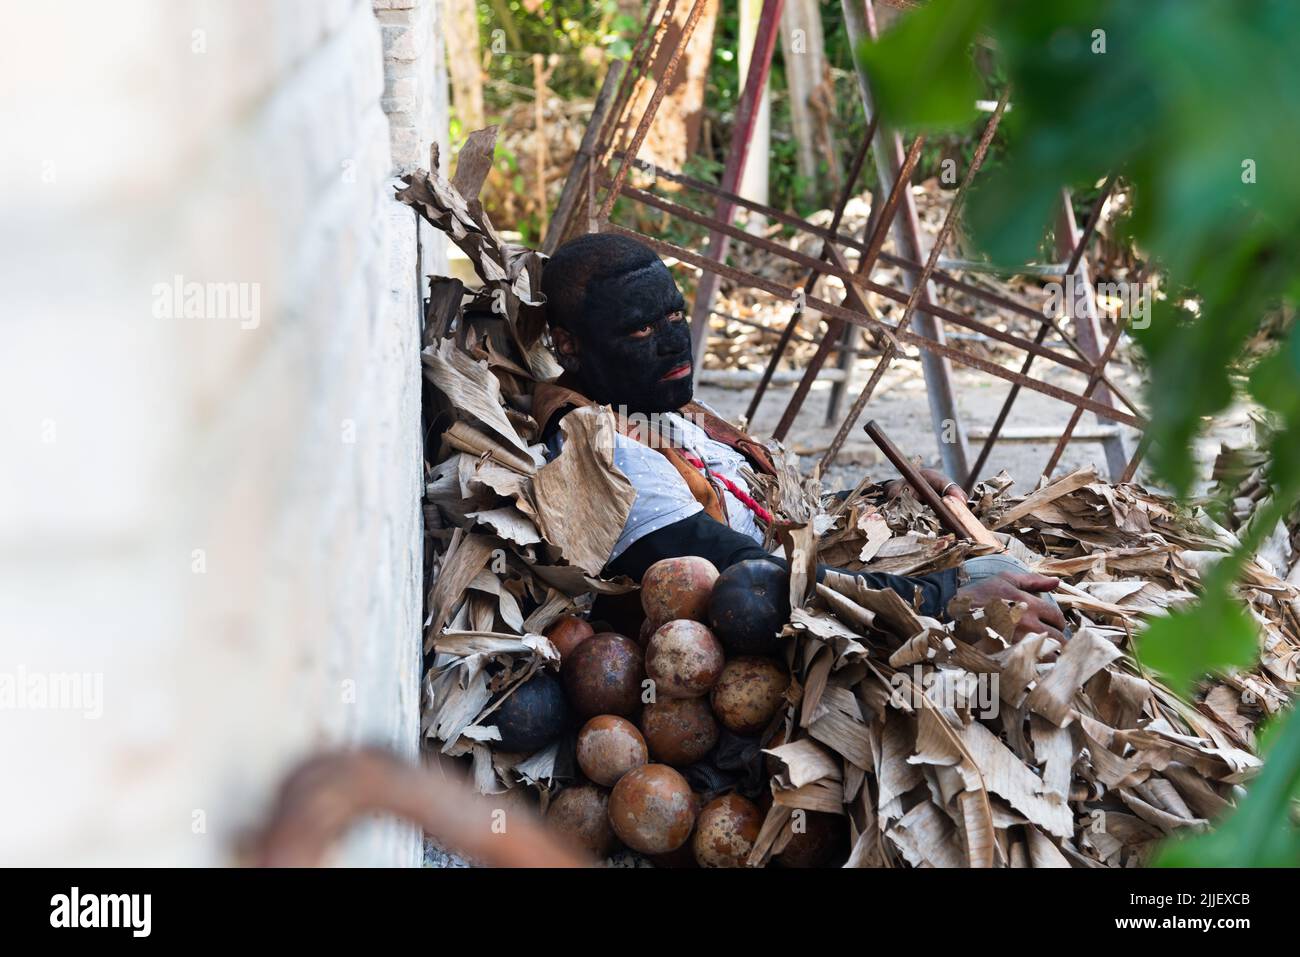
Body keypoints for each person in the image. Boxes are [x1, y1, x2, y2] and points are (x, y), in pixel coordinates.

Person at [534, 233, 1067, 642]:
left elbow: (767, 514)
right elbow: (748, 571)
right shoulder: (601, 454)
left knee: (1020, 571)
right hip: (767, 623)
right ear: (568, 347)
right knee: (1000, 587)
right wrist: (944, 599)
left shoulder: (659, 409)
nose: (674, 344)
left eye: (675, 316)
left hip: (803, 579)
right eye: (641, 331)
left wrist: (877, 495)